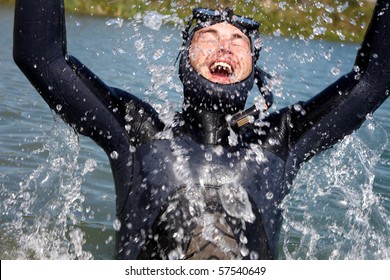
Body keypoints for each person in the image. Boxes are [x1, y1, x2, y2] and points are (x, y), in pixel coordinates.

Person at [13, 0, 389, 260]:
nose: (224, 46)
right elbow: (42, 59)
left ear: (255, 72)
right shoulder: (139, 129)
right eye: (208, 36)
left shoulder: (283, 137)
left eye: (238, 39)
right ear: (184, 60)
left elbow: (374, 80)